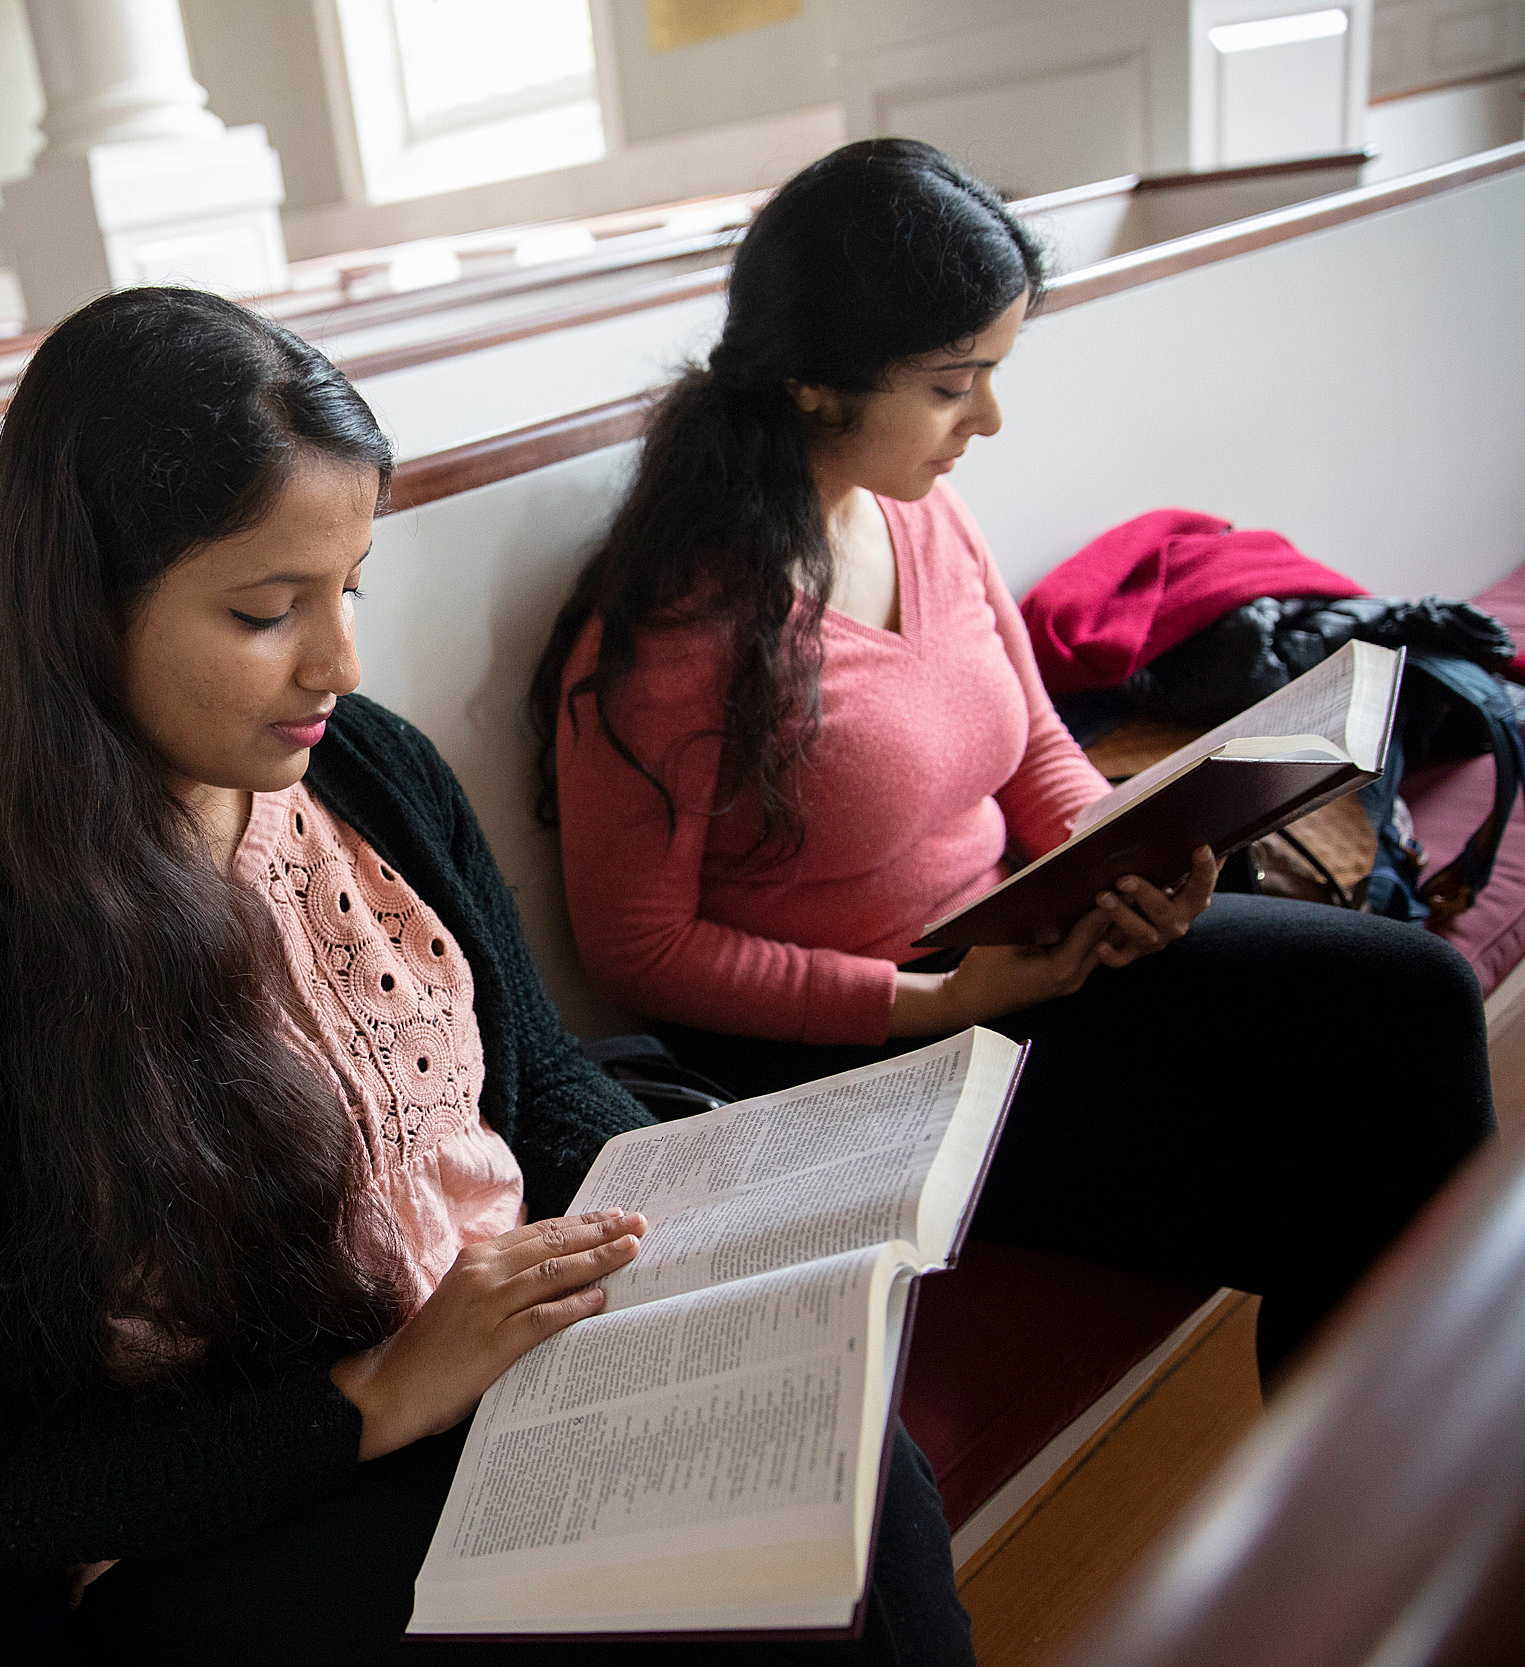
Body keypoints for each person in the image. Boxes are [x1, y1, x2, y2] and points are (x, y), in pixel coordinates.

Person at [0, 287, 974, 1665]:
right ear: (82, 608)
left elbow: (535, 1091)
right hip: (249, 1514)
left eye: (346, 589)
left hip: (503, 1380)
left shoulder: (376, 776)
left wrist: (749, 1224)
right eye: (263, 611)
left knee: (853, 1487)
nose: (338, 662)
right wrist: (380, 1390)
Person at [534, 139, 1495, 1389]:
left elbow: (1035, 745)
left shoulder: (917, 509)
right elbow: (641, 954)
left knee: (1414, 991)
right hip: (869, 1050)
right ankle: (1367, 1518)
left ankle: (1434, 1460)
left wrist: (1127, 856)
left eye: (988, 372)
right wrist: (943, 1000)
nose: (986, 419)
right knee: (1337, 1174)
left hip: (1024, 952)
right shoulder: (664, 641)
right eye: (953, 383)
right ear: (819, 386)